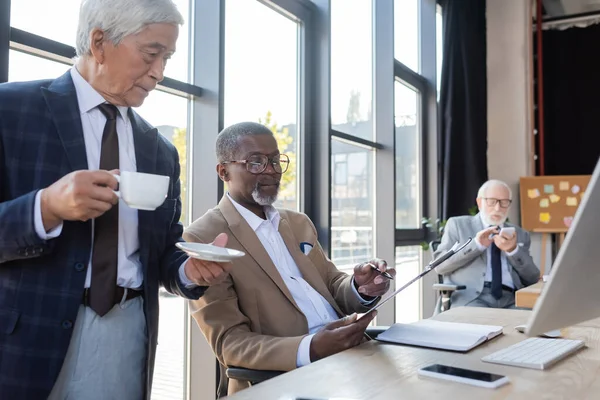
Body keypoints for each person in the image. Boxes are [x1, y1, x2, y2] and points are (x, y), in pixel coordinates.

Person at [0, 0, 230, 398]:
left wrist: (189, 271)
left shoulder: (160, 150)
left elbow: (160, 253)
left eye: (167, 57)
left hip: (127, 334)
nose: (159, 73)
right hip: (23, 340)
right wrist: (47, 208)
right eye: (151, 53)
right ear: (100, 42)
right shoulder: (10, 111)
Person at [183, 122, 395, 395]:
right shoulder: (204, 238)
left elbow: (331, 285)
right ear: (224, 171)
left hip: (353, 356)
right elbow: (230, 344)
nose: (271, 170)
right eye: (256, 162)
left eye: (275, 160)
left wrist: (360, 287)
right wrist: (312, 348)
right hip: (287, 379)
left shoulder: (297, 223)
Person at [434, 179, 539, 309]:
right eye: (492, 201)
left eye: (504, 202)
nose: (497, 208)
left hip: (512, 298)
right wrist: (476, 245)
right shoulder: (458, 225)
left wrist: (513, 250)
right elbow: (440, 266)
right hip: (472, 297)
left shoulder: (520, 234)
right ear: (479, 202)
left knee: (533, 323)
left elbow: (533, 278)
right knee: (481, 324)